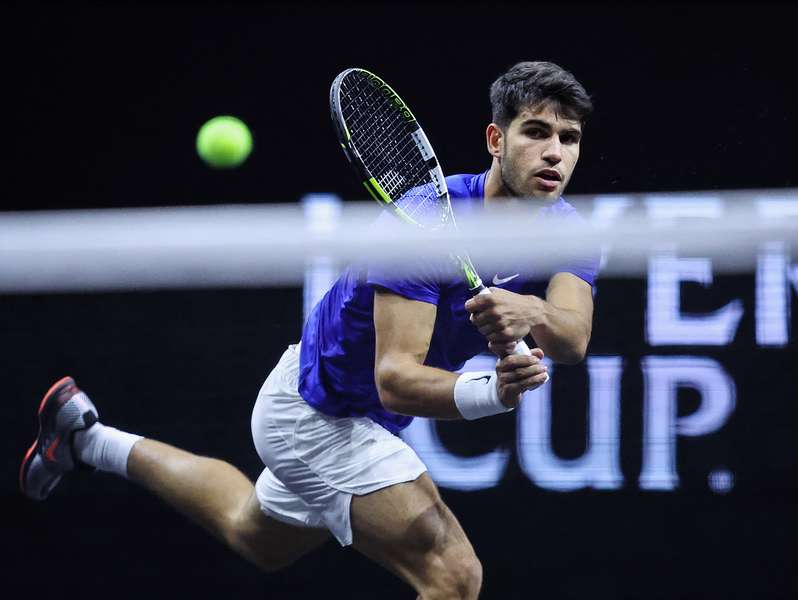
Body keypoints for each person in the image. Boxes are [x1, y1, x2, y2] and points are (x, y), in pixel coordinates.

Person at [20, 61, 595, 600]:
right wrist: (491, 392)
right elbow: (395, 380)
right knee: (454, 574)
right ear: (496, 140)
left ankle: (83, 437)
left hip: (366, 419)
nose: (553, 153)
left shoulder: (567, 231)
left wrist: (533, 313)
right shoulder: (423, 225)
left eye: (567, 139)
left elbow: (571, 339)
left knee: (254, 535)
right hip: (317, 413)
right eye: (535, 132)